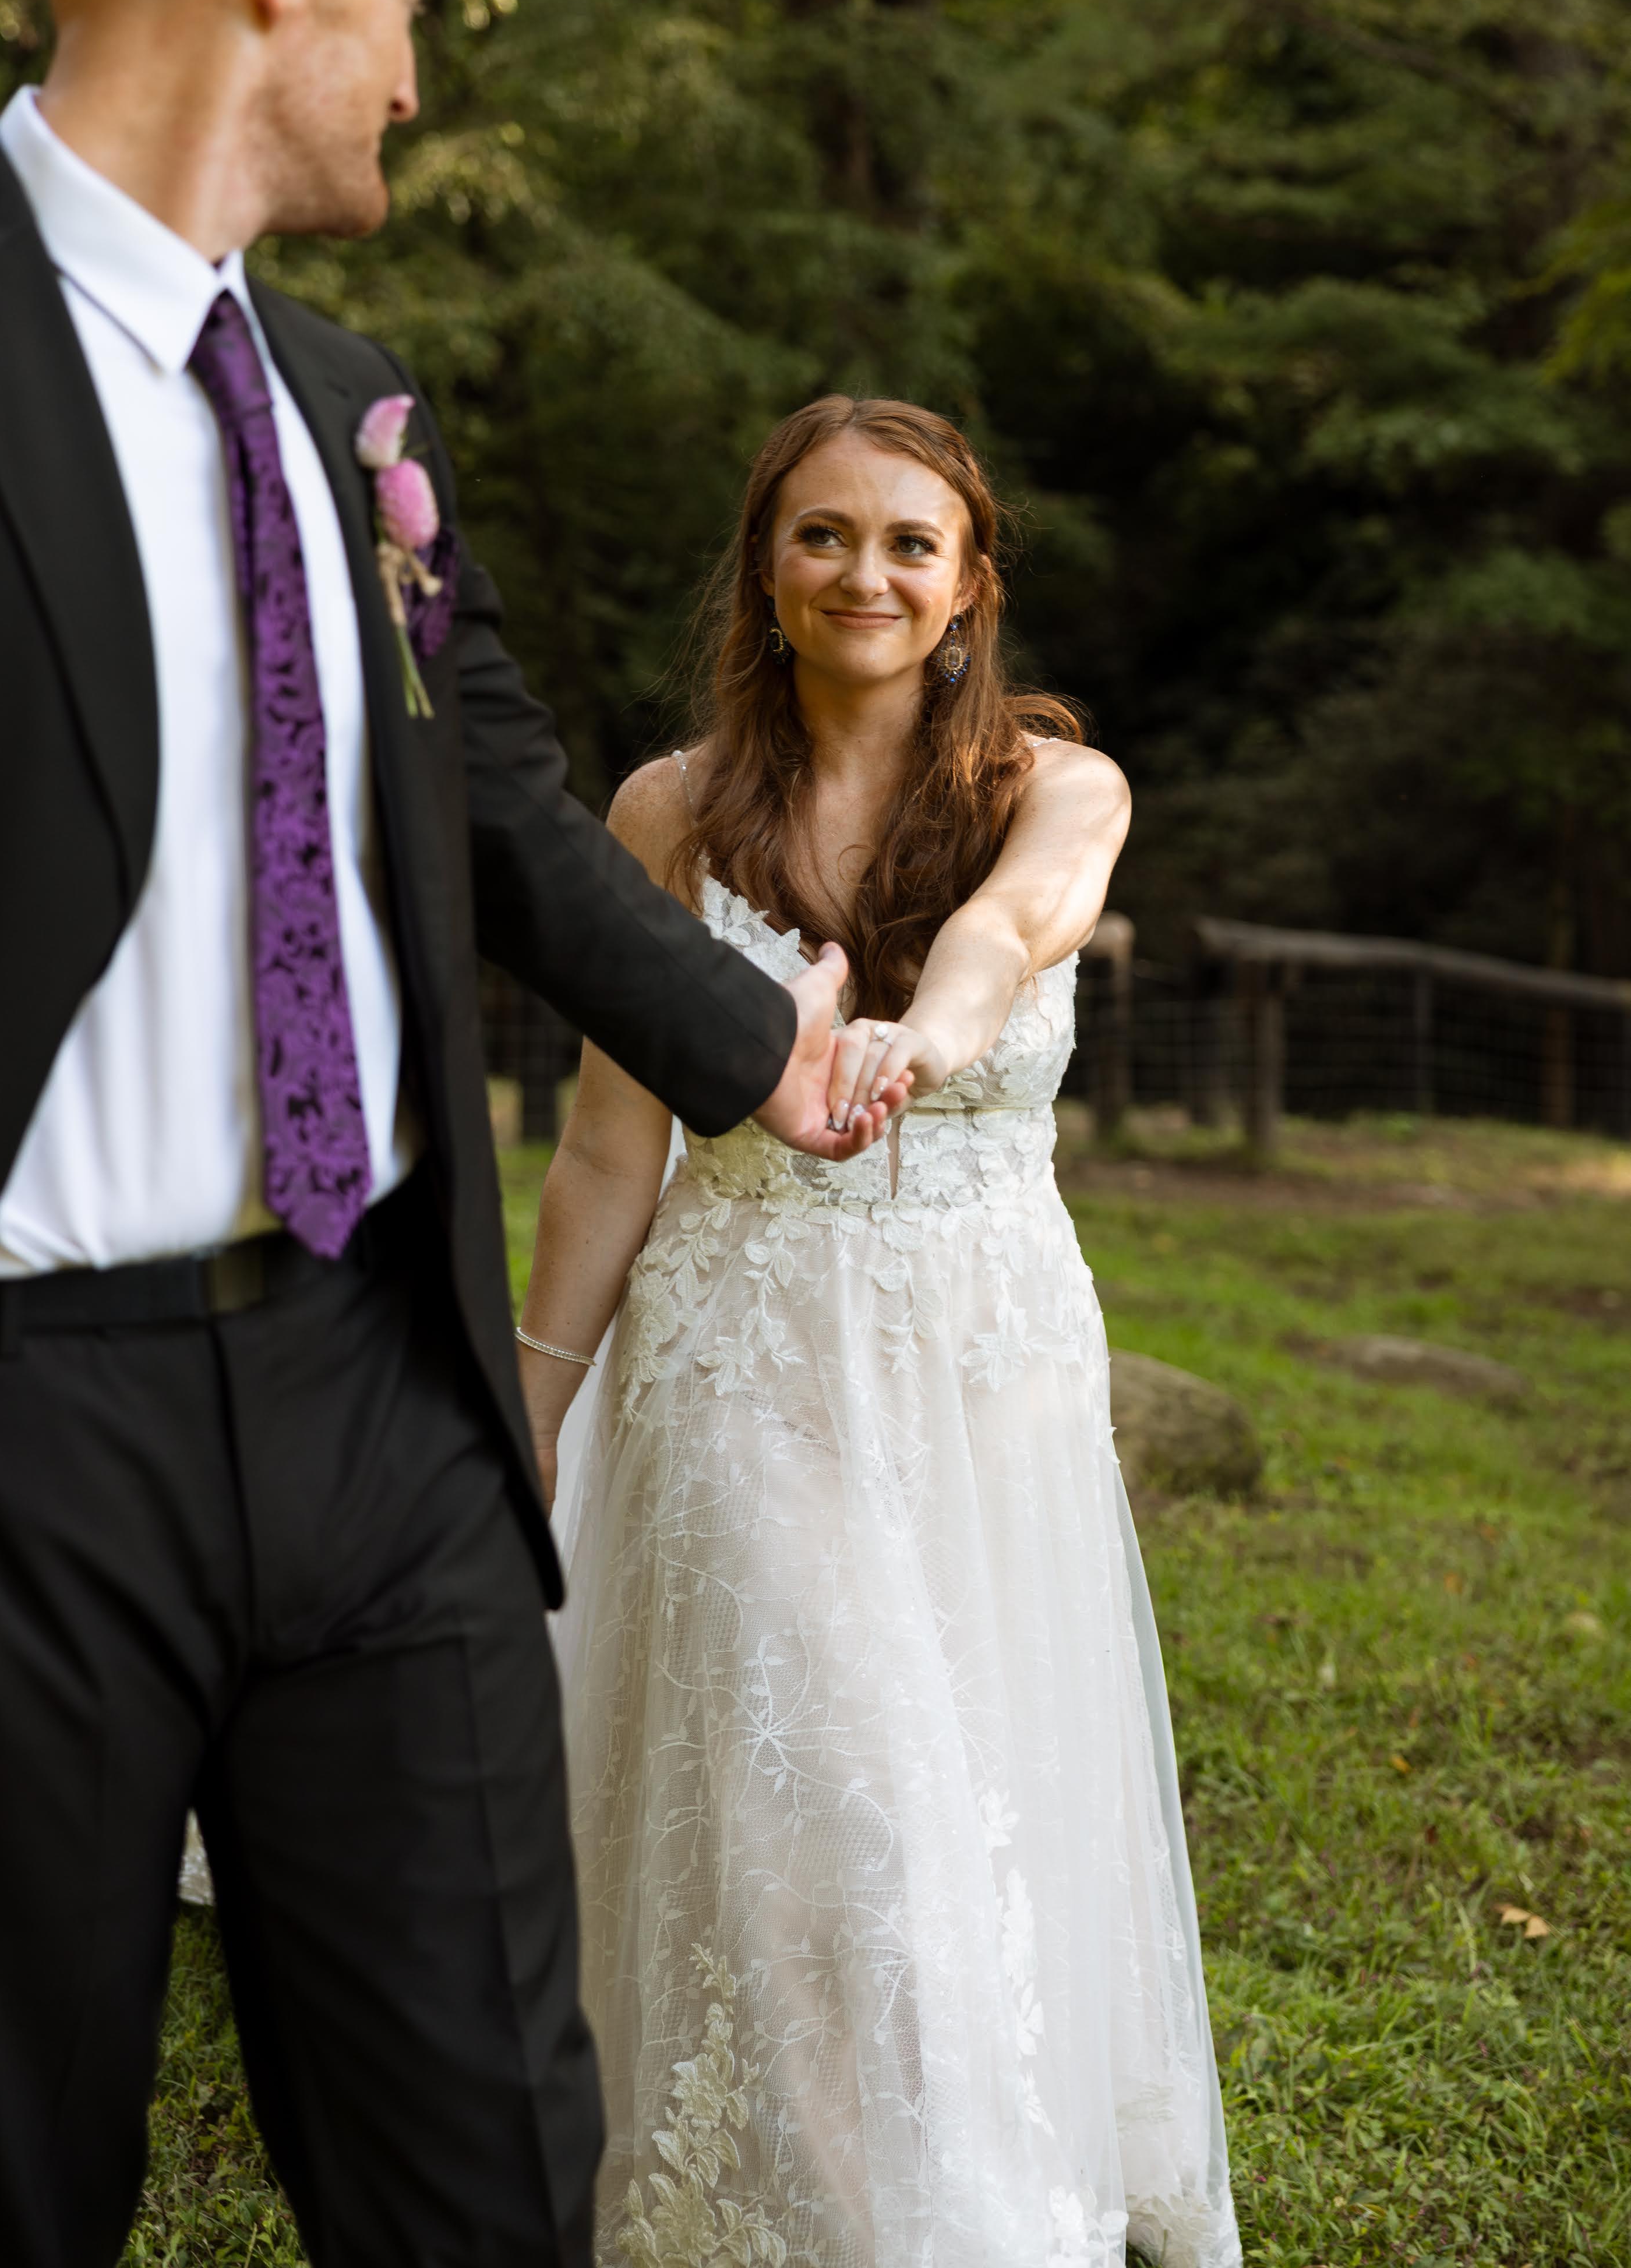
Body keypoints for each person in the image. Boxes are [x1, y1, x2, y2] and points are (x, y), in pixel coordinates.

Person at [0, 0, 917, 2268]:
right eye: (406, 3)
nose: (413, 66)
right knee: (10, 2181)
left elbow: (486, 803)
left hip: (387, 1394)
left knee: (487, 2169)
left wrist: (768, 1050)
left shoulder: (352, 393)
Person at [520, 397, 1242, 2268]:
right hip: (743, 1353)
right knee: (825, 1808)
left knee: (971, 1782)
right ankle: (898, 2222)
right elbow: (609, 1145)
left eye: (908, 542)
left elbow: (1018, 928)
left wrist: (922, 1029)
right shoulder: (665, 810)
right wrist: (530, 1394)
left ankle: (952, 2158)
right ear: (764, 569)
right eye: (821, 534)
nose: (865, 571)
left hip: (983, 1354)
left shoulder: (1056, 790)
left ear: (967, 583)